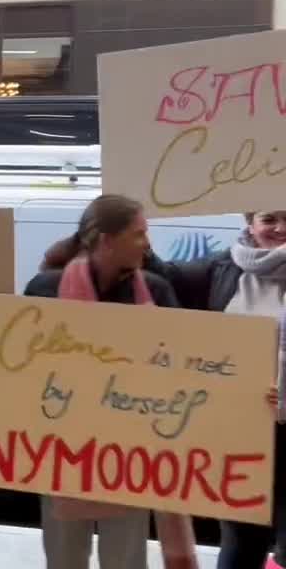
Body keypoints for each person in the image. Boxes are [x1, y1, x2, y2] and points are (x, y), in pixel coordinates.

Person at [11, 194, 194, 569]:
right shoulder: (45, 289)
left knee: (125, 560)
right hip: (60, 451)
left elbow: (183, 369)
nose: (147, 243)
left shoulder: (156, 291)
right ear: (108, 241)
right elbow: (14, 364)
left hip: (130, 453)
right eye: (139, 233)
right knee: (64, 558)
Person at [148, 211, 286, 569]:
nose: (281, 228)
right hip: (240, 430)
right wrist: (133, 235)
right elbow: (158, 278)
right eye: (269, 219)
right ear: (250, 223)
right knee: (243, 538)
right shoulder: (221, 268)